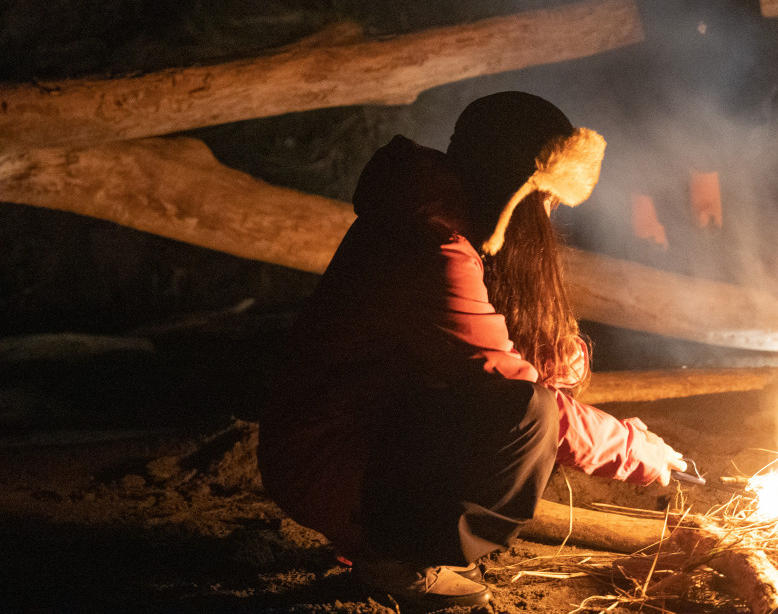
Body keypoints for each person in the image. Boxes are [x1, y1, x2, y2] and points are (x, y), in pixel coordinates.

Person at [257, 91, 687, 611]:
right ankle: (397, 556)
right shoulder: (434, 250)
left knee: (537, 401)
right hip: (326, 460)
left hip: (354, 435)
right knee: (530, 415)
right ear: (516, 187)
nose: (548, 217)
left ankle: (381, 533)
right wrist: (637, 451)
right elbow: (509, 391)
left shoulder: (442, 220)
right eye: (546, 199)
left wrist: (557, 362)